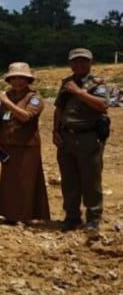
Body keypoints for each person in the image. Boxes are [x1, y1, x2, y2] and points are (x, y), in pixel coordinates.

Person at [53, 48, 110, 233]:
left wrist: (79, 92)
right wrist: (55, 130)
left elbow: (102, 105)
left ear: (90, 63)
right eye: (75, 61)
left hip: (88, 137)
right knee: (69, 180)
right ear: (70, 64)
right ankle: (71, 217)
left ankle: (93, 218)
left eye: (83, 61)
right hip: (67, 136)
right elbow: (59, 109)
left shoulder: (97, 84)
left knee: (90, 179)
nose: (79, 65)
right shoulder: (66, 83)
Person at [0, 62, 50, 226]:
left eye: (21, 78)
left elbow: (26, 117)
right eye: (14, 78)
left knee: (26, 182)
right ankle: (9, 214)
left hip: (27, 146)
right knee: (9, 181)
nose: (17, 81)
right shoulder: (4, 97)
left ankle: (25, 216)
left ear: (28, 80)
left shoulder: (35, 98)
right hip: (8, 145)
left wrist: (7, 102)